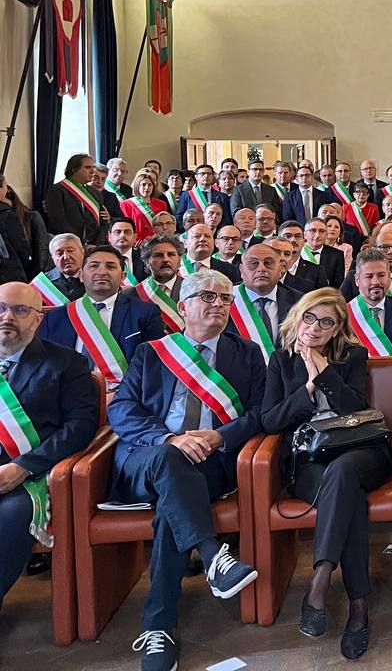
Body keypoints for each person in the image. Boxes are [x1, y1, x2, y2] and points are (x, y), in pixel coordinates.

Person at [108, 269, 264, 671]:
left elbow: (259, 413)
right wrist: (167, 439)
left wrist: (219, 436)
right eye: (208, 296)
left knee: (170, 512)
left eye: (226, 298)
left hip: (210, 463)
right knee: (170, 460)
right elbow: (121, 409)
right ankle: (212, 555)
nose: (219, 305)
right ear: (182, 306)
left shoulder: (246, 353)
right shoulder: (151, 352)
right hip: (149, 457)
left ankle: (158, 628)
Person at [260, 288, 392, 659]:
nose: (315, 327)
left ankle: (320, 580)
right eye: (310, 317)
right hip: (310, 462)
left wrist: (325, 371)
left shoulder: (353, 356)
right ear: (298, 316)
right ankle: (358, 605)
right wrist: (307, 388)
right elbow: (270, 420)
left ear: (337, 329)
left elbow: (356, 408)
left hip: (363, 453)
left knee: (345, 470)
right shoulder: (281, 360)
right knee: (347, 495)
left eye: (326, 322)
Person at [0, 281, 98, 612]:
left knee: (11, 516)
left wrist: (22, 467)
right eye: (1, 308)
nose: (7, 317)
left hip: (32, 477)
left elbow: (79, 427)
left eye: (20, 310)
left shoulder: (66, 363)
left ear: (38, 318)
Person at [39, 244, 165, 387]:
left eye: (110, 266)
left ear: (123, 277)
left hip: (121, 394)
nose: (102, 272)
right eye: (94, 266)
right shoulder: (55, 318)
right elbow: (44, 367)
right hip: (66, 393)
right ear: (81, 275)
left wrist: (121, 396)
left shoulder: (145, 313)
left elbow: (151, 367)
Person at [345, 247, 392, 363]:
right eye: (369, 276)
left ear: (390, 278)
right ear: (357, 280)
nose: (376, 282)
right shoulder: (344, 314)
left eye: (381, 275)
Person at [45, 153, 109, 244]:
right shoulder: (57, 190)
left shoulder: (95, 192)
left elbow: (103, 222)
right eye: (87, 167)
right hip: (69, 244)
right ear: (74, 169)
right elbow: (58, 222)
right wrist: (78, 243)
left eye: (93, 167)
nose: (92, 171)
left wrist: (97, 243)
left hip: (94, 245)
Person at [175, 164, 232, 229]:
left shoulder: (222, 197)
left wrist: (217, 232)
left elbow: (226, 218)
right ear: (196, 177)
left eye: (209, 174)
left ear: (213, 176)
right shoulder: (186, 195)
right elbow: (179, 217)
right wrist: (188, 232)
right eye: (202, 173)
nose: (206, 176)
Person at [121, 171, 171, 245]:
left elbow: (164, 224)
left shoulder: (161, 204)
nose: (147, 188)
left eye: (150, 185)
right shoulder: (126, 204)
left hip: (156, 241)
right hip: (136, 242)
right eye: (143, 185)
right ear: (137, 186)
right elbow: (126, 225)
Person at [300, 218, 345, 289]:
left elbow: (337, 284)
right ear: (305, 234)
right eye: (313, 230)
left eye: (322, 231)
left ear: (326, 234)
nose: (317, 235)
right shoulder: (296, 252)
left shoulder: (337, 255)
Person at [43, 233, 86, 302]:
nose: (66, 257)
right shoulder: (43, 283)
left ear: (82, 252)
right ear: (53, 258)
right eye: (60, 253)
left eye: (70, 251)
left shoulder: (95, 277)